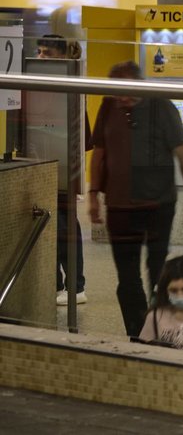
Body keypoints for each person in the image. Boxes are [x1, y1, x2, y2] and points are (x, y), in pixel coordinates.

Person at [89, 61, 183, 338]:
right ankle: (138, 333)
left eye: (126, 91)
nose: (121, 98)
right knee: (127, 279)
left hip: (157, 205)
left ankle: (161, 329)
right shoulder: (108, 105)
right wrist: (92, 194)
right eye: (117, 91)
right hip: (119, 206)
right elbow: (99, 152)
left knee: (157, 271)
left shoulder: (161, 106)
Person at [36, 34, 89, 306]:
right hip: (44, 162)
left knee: (65, 226)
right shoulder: (41, 84)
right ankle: (57, 283)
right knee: (53, 225)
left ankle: (75, 285)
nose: (40, 58)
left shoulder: (71, 85)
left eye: (46, 53)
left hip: (65, 167)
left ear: (61, 57)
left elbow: (83, 137)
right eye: (39, 52)